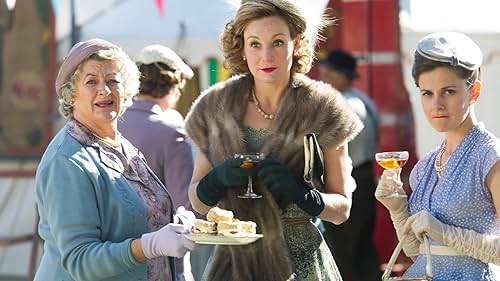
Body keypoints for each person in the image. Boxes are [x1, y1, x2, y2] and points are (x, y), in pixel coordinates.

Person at [184, 0, 363, 280]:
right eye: (255, 43)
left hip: (302, 265)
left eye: (278, 42)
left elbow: (342, 210)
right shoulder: (215, 107)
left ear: (297, 43)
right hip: (236, 264)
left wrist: (306, 197)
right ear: (241, 47)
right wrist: (215, 181)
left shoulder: (324, 108)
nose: (266, 56)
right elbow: (198, 201)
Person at [34, 38, 196, 281]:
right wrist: (149, 246)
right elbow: (80, 259)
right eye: (91, 81)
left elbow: (141, 215)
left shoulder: (120, 144)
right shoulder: (68, 160)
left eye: (113, 80)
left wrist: (176, 222)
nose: (105, 90)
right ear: (70, 95)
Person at [375, 31, 500, 280]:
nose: (436, 105)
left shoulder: (491, 157)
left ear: (474, 92)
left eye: (448, 91)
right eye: (427, 93)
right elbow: (418, 252)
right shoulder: (426, 166)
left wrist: (444, 231)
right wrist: (397, 207)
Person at [118, 44, 196, 281]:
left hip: (115, 256)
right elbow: (185, 207)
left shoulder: (111, 122)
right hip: (164, 262)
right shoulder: (172, 131)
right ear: (174, 88)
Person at [319, 49, 381, 281]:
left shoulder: (345, 105)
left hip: (349, 182)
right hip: (365, 181)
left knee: (342, 255)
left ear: (342, 75)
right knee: (362, 250)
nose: (324, 73)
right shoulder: (362, 99)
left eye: (330, 70)